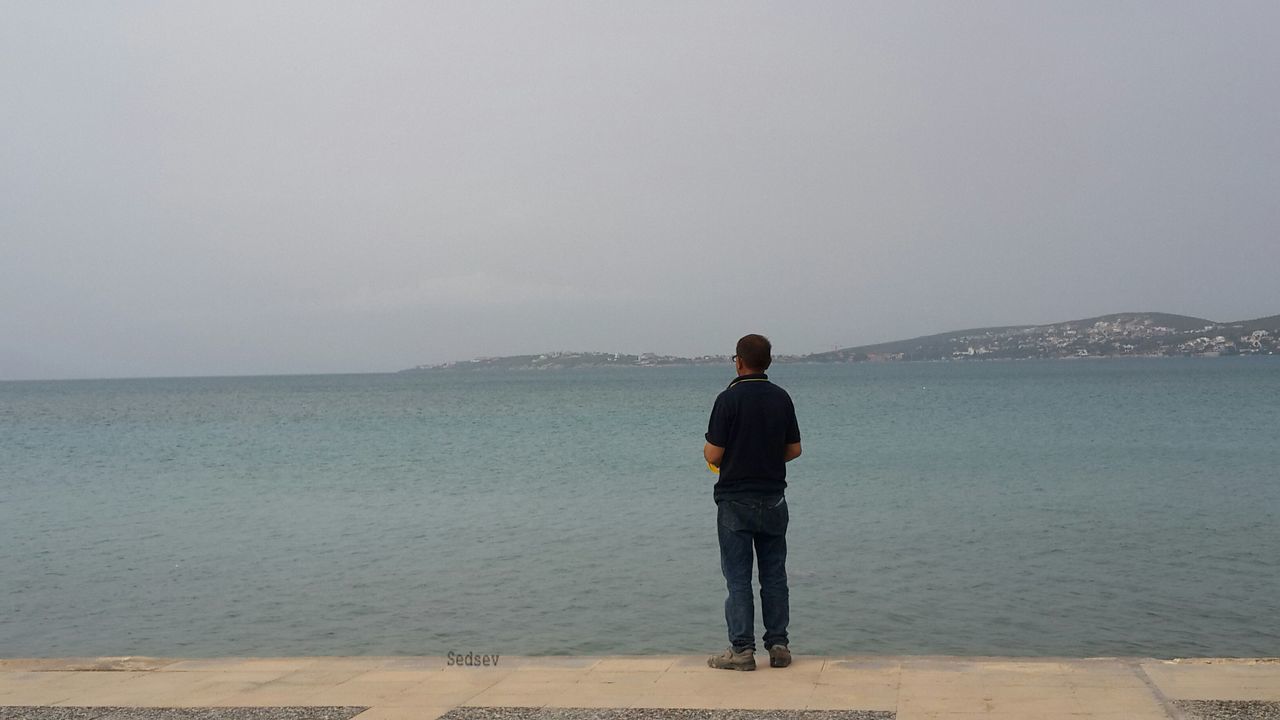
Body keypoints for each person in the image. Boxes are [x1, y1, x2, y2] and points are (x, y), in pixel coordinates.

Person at [703, 333, 802, 671]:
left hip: (734, 499)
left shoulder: (727, 400)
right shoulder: (781, 398)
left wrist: (714, 454)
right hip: (773, 497)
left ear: (739, 361)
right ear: (768, 362)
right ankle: (778, 645)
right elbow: (794, 449)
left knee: (738, 578)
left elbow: (714, 452)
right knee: (774, 574)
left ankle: (742, 650)